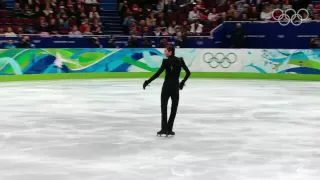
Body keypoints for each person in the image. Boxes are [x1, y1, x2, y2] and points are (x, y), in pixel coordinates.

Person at [143, 45, 191, 136]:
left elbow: (158, 73)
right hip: (175, 88)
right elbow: (188, 73)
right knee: (174, 109)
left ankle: (164, 129)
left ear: (170, 52)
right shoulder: (180, 60)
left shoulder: (165, 61)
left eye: (165, 51)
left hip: (166, 87)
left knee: (164, 108)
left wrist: (147, 81)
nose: (164, 52)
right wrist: (182, 82)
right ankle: (169, 129)